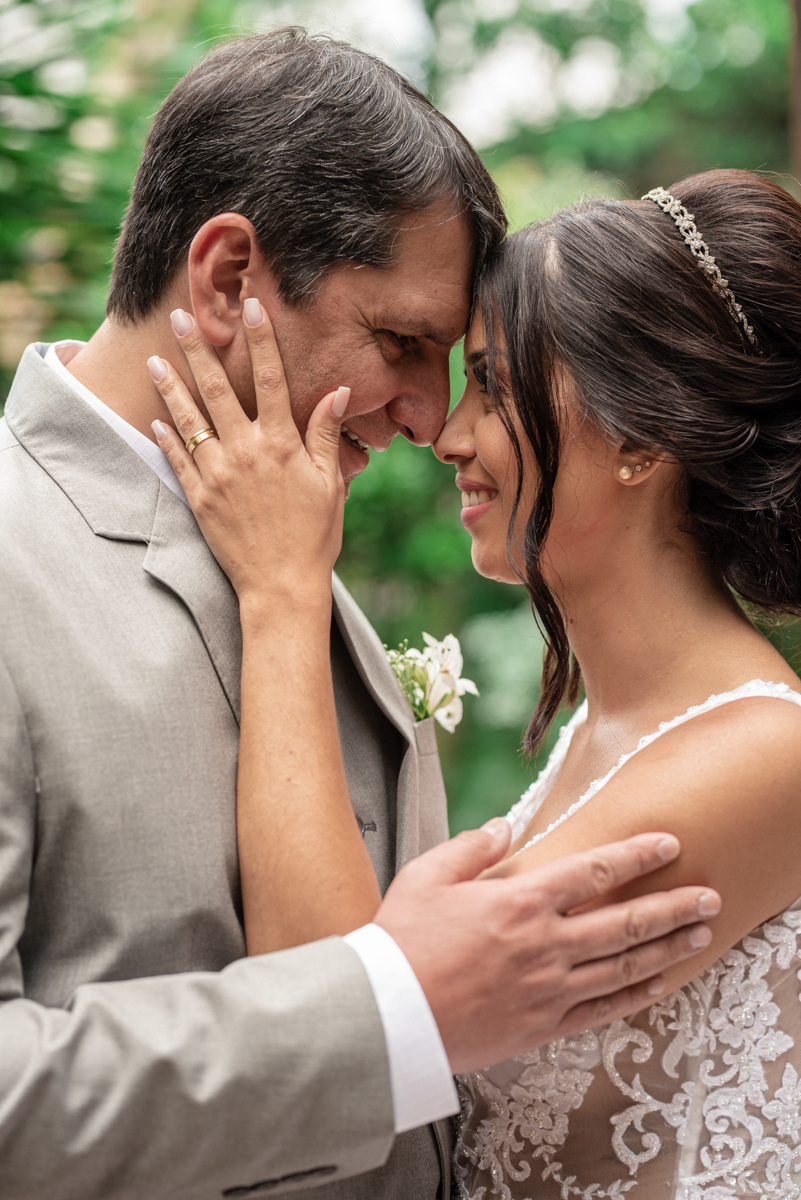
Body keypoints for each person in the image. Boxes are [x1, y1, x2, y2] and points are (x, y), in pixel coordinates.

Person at [0, 28, 717, 1200]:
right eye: (401, 343)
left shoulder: (296, 547)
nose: (431, 424)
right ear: (229, 278)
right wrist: (392, 1005)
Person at [149, 167, 801, 1200]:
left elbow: (335, 1022)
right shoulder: (600, 730)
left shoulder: (767, 757)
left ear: (644, 435)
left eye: (492, 384)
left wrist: (283, 591)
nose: (448, 436)